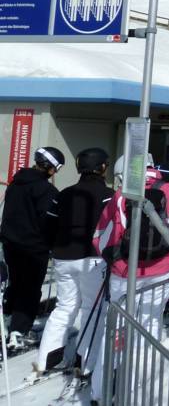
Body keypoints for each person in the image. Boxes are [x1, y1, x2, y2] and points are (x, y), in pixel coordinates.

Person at [91, 156, 169, 404]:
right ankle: (136, 391)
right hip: (161, 273)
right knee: (149, 326)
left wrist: (112, 258)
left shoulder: (121, 195)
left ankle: (100, 392)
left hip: (123, 274)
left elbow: (102, 238)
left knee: (115, 331)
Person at [34, 148, 113, 379]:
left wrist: (53, 247)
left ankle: (47, 359)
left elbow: (48, 225)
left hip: (63, 257)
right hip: (94, 259)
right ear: (102, 167)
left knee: (64, 307)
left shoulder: (63, 194)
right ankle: (85, 361)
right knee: (91, 308)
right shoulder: (109, 195)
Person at [0, 146, 63, 352]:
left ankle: (8, 318)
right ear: (51, 168)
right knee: (30, 288)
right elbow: (49, 221)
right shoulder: (46, 190)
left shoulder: (16, 183)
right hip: (34, 248)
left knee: (16, 282)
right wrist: (52, 243)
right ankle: (18, 332)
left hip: (10, 243)